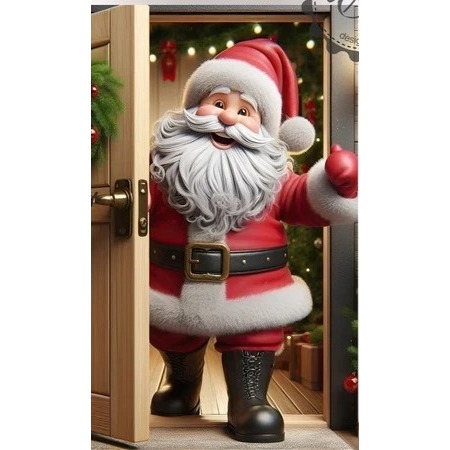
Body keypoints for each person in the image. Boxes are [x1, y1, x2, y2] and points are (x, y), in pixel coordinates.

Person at [148, 38, 357, 443]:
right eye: (217, 103)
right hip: (171, 286)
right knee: (173, 336)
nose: (227, 117)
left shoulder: (273, 177)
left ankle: (249, 398)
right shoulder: (163, 167)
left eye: (244, 111)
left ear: (264, 128)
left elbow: (304, 200)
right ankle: (183, 382)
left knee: (252, 338)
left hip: (252, 290)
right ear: (193, 108)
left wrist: (334, 184)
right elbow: (138, 200)